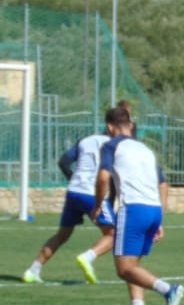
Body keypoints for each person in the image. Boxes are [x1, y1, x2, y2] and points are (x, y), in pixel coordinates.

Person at [94, 105, 184, 305]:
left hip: (133, 209)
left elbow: (103, 177)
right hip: (153, 210)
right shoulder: (145, 149)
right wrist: (160, 218)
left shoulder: (111, 146)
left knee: (124, 269)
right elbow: (163, 184)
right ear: (130, 125)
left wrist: (98, 205)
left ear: (110, 127)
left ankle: (168, 290)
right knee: (133, 263)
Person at [22, 112, 117, 285]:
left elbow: (63, 162)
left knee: (62, 234)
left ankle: (33, 270)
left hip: (74, 190)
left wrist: (74, 179)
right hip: (92, 192)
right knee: (114, 234)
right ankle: (88, 258)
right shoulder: (114, 145)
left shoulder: (85, 140)